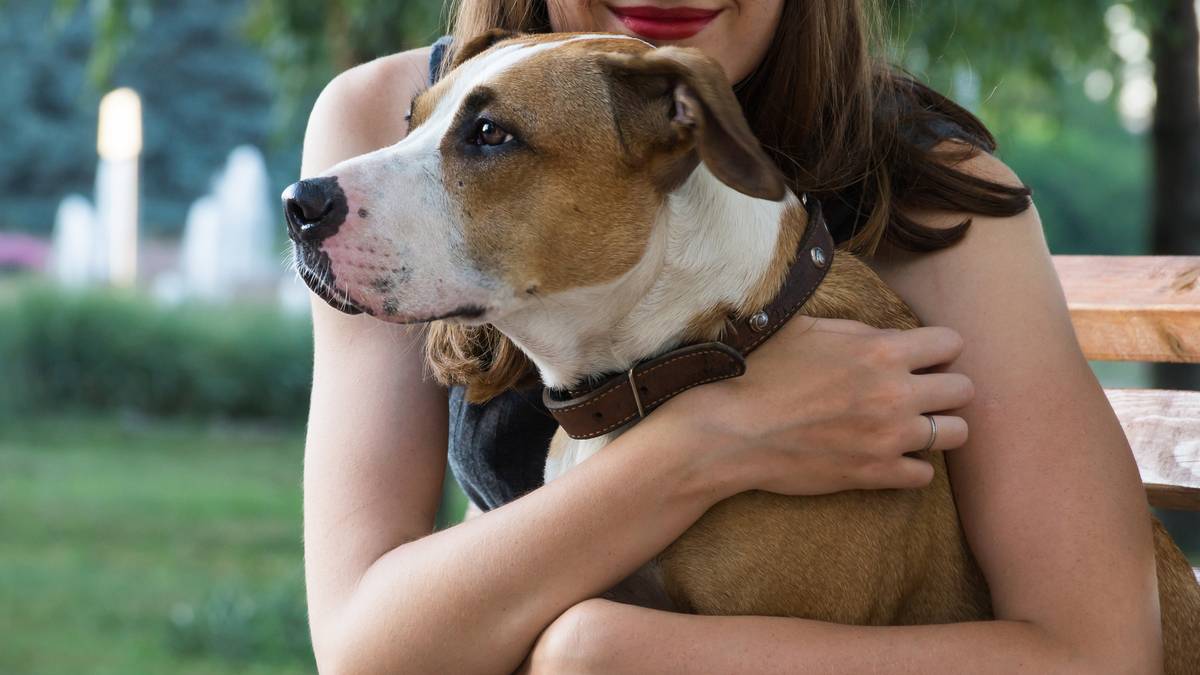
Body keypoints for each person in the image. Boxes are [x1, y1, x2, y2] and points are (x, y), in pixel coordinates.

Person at [299, 2, 1161, 673]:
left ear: (692, 128)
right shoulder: (396, 112)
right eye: (441, 131)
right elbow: (367, 645)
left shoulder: (933, 194)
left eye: (486, 139)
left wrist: (594, 653)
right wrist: (703, 445)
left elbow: (1103, 653)